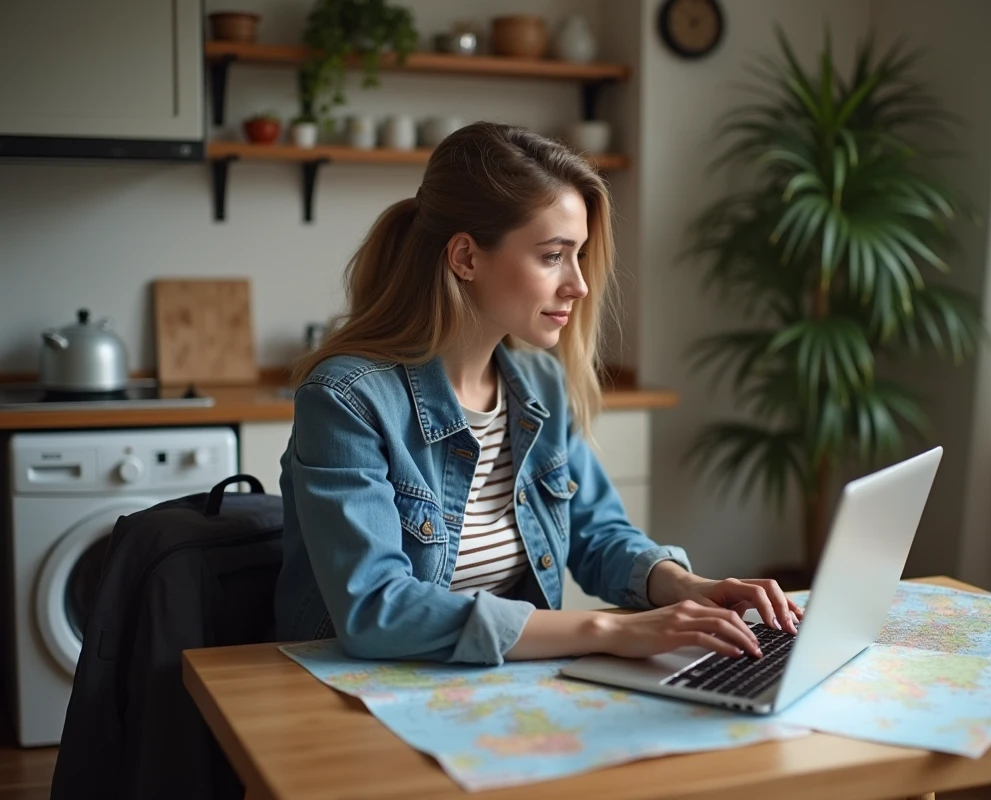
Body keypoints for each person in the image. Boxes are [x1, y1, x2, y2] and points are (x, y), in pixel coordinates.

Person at [274, 121, 802, 666]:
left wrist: (687, 586)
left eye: (579, 256)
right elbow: (377, 610)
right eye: (553, 255)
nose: (579, 284)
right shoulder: (346, 399)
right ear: (466, 258)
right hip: (354, 692)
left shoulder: (539, 385)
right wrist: (610, 631)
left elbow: (596, 533)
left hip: (491, 686)